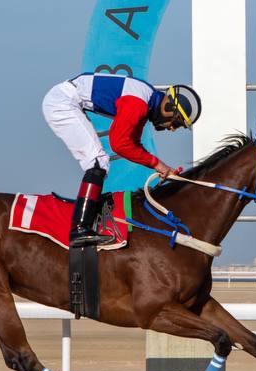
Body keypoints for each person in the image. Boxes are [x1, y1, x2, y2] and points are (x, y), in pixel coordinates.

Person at [42, 72, 201, 246]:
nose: (172, 129)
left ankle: (84, 222)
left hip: (67, 100)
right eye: (175, 123)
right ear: (169, 108)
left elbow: (133, 144)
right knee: (98, 162)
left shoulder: (146, 100)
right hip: (63, 102)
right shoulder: (138, 104)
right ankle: (80, 229)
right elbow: (119, 144)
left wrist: (162, 167)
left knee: (99, 163)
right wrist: (157, 164)